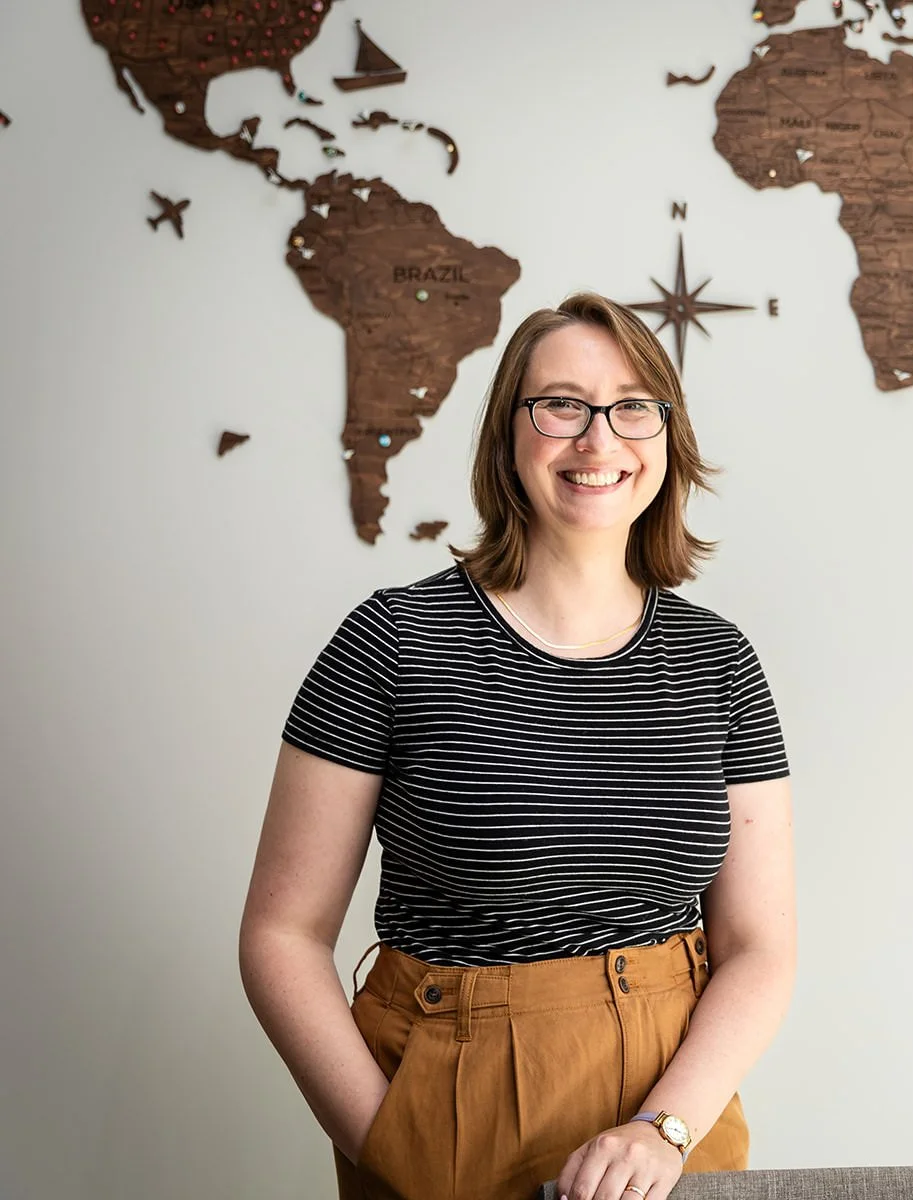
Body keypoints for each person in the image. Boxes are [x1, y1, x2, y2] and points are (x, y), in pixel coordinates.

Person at [239, 293, 796, 1200]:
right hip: (449, 1110)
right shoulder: (392, 642)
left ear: (667, 435)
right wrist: (390, 1138)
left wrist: (668, 1129)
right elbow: (280, 932)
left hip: (672, 1125)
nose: (599, 438)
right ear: (509, 434)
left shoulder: (719, 661)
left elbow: (761, 944)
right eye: (562, 404)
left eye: (632, 407)